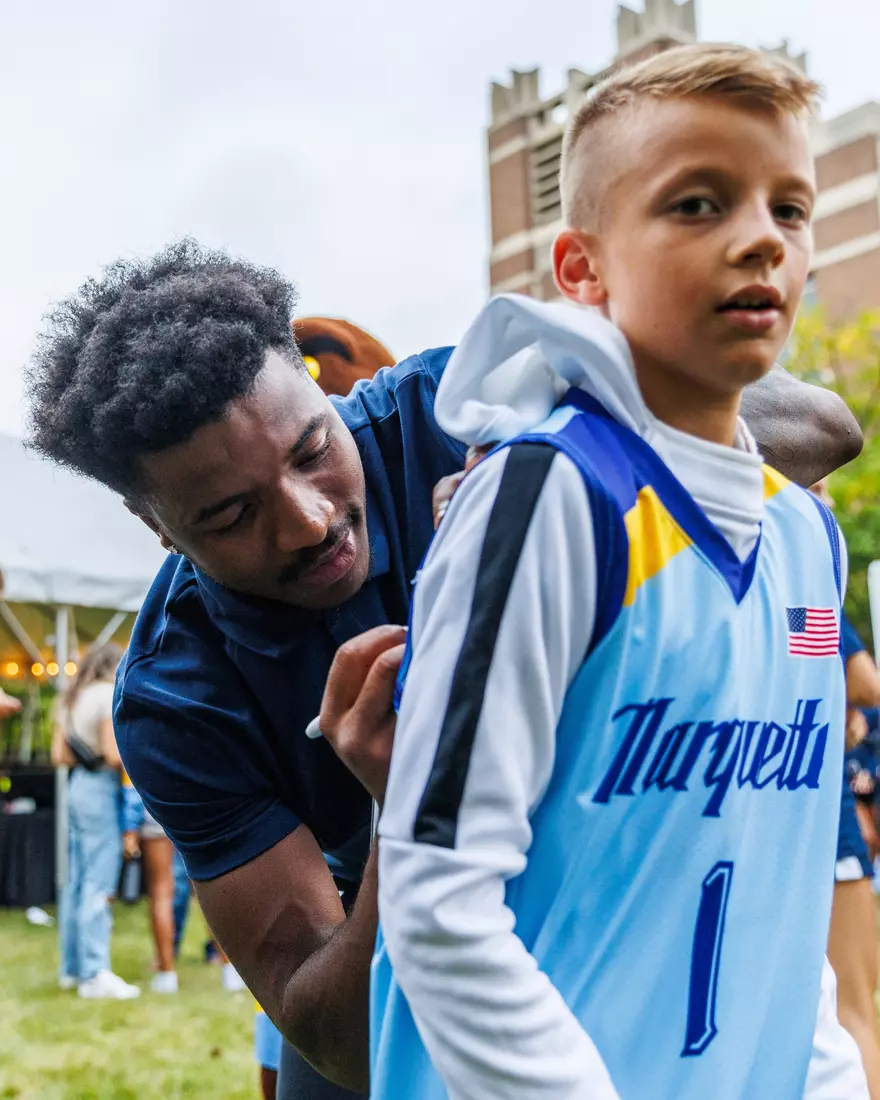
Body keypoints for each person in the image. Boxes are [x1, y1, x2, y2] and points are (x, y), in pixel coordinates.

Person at [24, 230, 859, 1093]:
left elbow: (820, 430)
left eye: (314, 449)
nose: (309, 520)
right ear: (155, 524)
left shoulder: (462, 406)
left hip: (627, 892)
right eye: (233, 514)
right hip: (397, 948)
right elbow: (340, 1036)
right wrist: (410, 799)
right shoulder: (176, 695)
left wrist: (541, 489)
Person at [352, 44, 868, 1099]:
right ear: (581, 268)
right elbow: (440, 892)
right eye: (696, 204)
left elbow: (780, 874)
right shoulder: (549, 494)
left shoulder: (808, 543)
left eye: (788, 207)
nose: (759, 239)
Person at [52, 643, 140, 1000]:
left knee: (75, 880)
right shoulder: (106, 694)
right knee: (99, 879)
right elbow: (111, 752)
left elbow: (59, 755)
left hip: (76, 788)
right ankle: (95, 972)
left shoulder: (69, 698)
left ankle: (71, 969)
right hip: (101, 789)